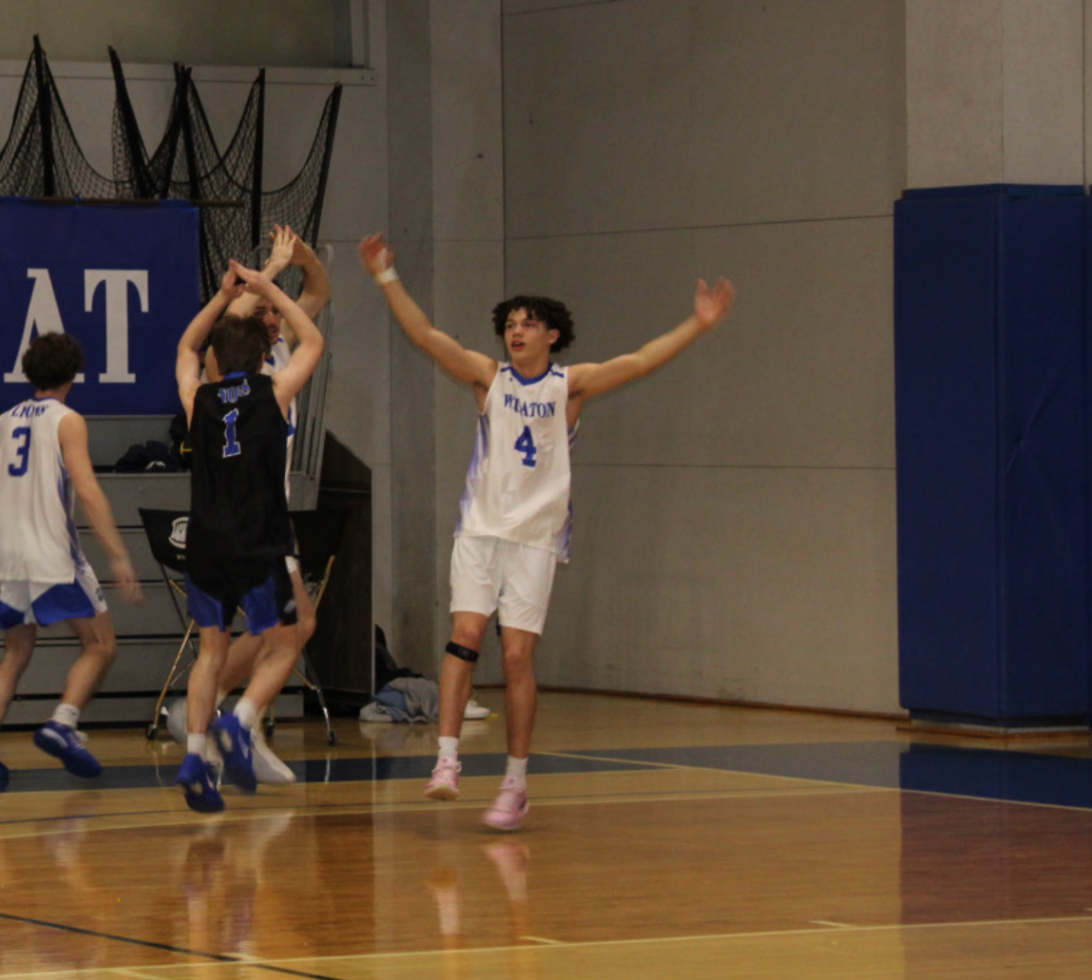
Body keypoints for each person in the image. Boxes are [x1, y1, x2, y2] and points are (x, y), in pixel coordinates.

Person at [364, 233, 734, 831]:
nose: (517, 332)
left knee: (516, 656)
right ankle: (447, 760)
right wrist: (386, 277)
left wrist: (698, 323)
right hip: (480, 531)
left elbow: (640, 361)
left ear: (552, 335)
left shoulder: (570, 385)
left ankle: (515, 783)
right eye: (510, 324)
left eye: (529, 324)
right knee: (464, 637)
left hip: (536, 540)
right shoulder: (489, 378)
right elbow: (426, 335)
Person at [172, 262, 325, 814]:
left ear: (217, 357)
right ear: (263, 356)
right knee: (287, 639)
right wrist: (267, 288)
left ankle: (195, 756)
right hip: (259, 541)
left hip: (206, 545)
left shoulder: (198, 399)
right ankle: (239, 721)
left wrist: (221, 297)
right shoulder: (274, 392)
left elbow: (186, 347)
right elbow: (313, 339)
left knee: (211, 652)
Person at [0, 332, 143, 786]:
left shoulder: (5, 419)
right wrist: (118, 554)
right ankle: (63, 723)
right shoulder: (68, 420)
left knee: (15, 652)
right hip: (50, 553)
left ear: (30, 372)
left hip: (5, 554)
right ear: (74, 374)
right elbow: (87, 490)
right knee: (101, 644)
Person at [204, 225, 336, 781]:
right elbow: (232, 322)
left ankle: (228, 718)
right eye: (266, 312)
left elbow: (320, 292)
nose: (276, 317)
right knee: (292, 625)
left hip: (259, 514)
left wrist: (301, 258)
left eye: (278, 312)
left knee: (283, 627)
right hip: (250, 519)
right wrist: (270, 273)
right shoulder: (233, 371)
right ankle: (229, 717)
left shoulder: (275, 352)